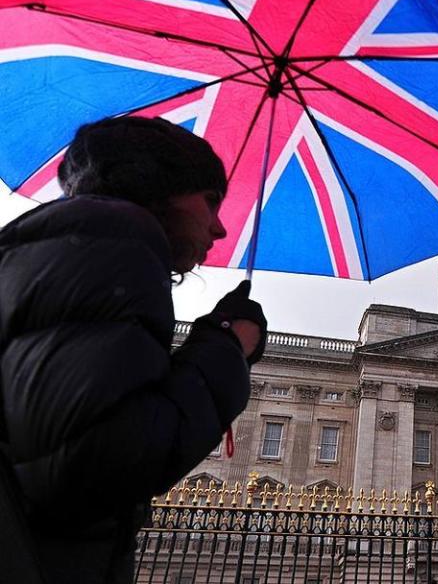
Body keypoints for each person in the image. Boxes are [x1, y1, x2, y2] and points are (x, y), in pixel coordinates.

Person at [0, 116, 267, 583]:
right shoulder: (114, 242)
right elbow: (92, 465)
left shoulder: (53, 247)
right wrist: (227, 345)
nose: (220, 229)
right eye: (211, 202)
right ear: (162, 186)